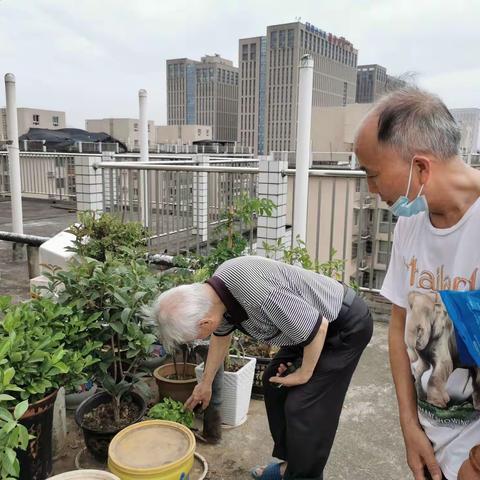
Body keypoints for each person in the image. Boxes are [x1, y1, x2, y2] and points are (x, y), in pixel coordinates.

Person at [143, 255, 373, 480]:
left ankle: (303, 475)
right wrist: (205, 384)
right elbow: (221, 335)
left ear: (205, 323)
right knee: (274, 383)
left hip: (339, 327)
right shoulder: (215, 297)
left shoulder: (258, 295)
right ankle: (288, 467)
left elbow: (318, 327)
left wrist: (304, 373)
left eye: (193, 337)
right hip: (304, 331)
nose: (195, 340)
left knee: (304, 406)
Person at [354, 86, 480, 480]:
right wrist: (409, 427)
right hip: (430, 438)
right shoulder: (410, 224)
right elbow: (397, 329)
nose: (372, 190)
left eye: (373, 175)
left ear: (421, 168)